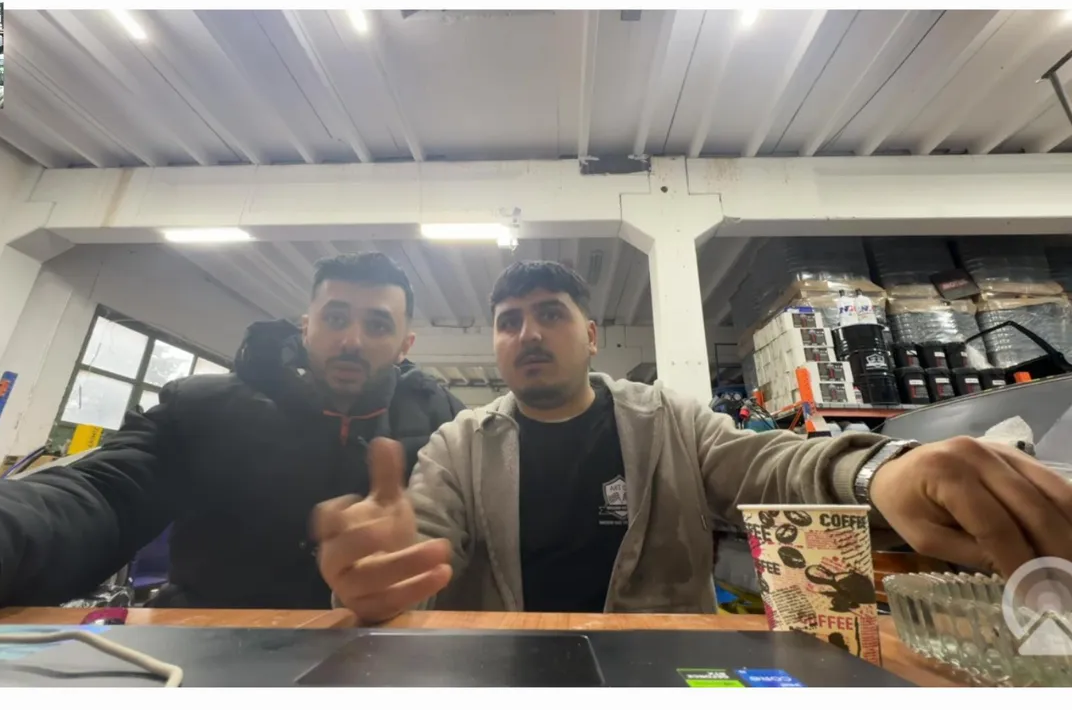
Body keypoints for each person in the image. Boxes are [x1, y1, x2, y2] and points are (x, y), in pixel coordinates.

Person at [315, 261, 1072, 622]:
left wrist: (881, 473)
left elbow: (767, 465)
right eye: (509, 322)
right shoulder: (458, 444)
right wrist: (385, 565)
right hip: (506, 678)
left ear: (590, 334)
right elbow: (425, 544)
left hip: (663, 676)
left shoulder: (669, 421)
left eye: (549, 314)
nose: (528, 334)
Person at [0, 252, 465, 624]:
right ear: (307, 326)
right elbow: (102, 493)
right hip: (203, 647)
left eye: (378, 326)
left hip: (374, 653)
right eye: (336, 318)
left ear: (405, 344)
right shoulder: (202, 408)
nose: (352, 340)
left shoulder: (446, 427)